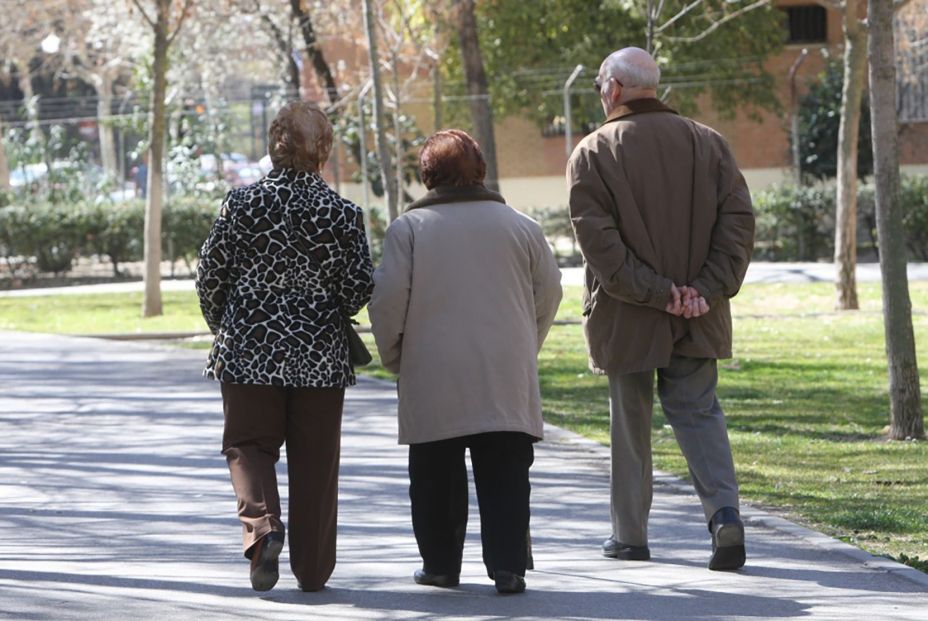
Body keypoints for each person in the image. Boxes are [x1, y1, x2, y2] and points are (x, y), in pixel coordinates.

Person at [567, 47, 755, 571]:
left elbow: (599, 245)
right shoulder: (708, 143)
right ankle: (724, 515)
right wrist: (702, 290)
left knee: (630, 424)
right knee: (699, 414)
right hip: (699, 311)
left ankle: (630, 536)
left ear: (612, 88)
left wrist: (658, 292)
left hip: (628, 314)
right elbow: (738, 225)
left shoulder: (593, 152)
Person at [369, 129, 562, 594]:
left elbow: (387, 301)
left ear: (428, 175)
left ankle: (440, 564)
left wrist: (397, 356)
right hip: (505, 370)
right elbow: (550, 291)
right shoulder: (521, 226)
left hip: (434, 370)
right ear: (480, 171)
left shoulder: (409, 230)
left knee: (434, 476)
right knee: (507, 474)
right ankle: (508, 566)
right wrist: (525, 342)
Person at [195, 101, 373, 592]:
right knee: (316, 460)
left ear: (273, 145)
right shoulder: (342, 213)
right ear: (323, 151)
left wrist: (224, 325)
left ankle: (263, 529)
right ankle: (314, 571)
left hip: (248, 347)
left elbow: (211, 275)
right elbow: (359, 286)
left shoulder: (241, 203)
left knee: (248, 446)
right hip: (319, 356)